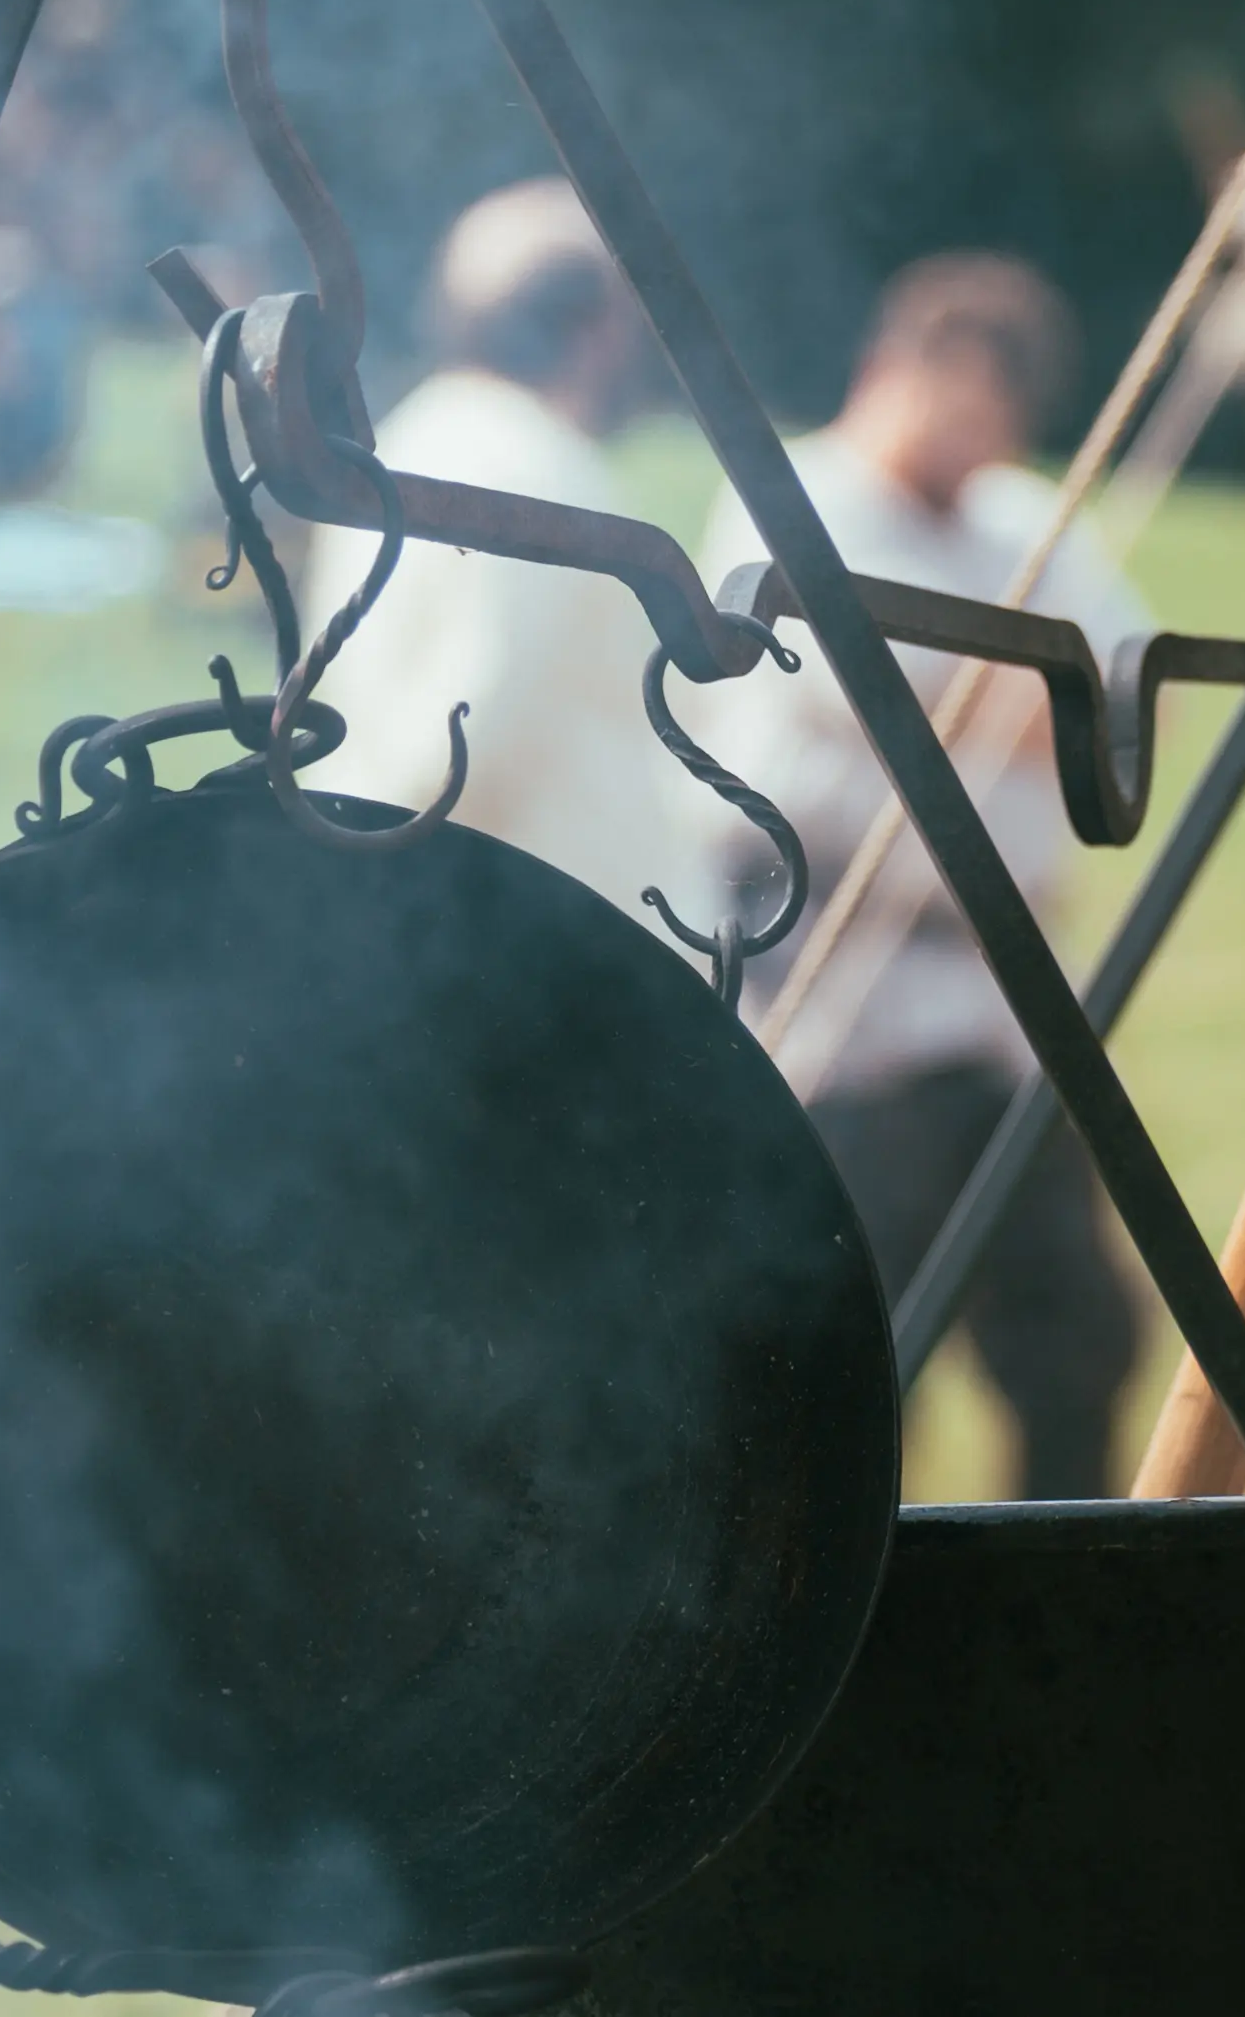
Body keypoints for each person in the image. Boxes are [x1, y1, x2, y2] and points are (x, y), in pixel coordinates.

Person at [686, 255, 1147, 1501]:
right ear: (896, 369)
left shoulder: (1020, 522)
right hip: (839, 1016)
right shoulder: (798, 502)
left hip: (994, 1017)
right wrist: (984, 704)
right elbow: (824, 718)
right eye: (963, 402)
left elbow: (1105, 710)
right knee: (855, 1350)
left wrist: (947, 710)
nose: (979, 439)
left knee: (1079, 1342)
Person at [304, 182, 711, 920]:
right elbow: (468, 731)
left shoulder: (411, 439)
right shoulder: (537, 475)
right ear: (598, 331)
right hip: (525, 929)